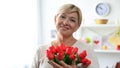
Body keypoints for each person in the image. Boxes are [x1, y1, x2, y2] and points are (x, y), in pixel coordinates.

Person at [32, 3, 99, 68]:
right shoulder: (40, 51)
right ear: (55, 19)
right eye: (62, 17)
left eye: (72, 20)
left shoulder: (87, 50)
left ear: (77, 27)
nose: (65, 22)